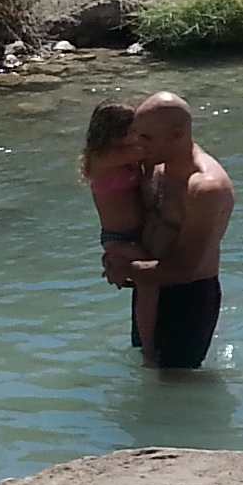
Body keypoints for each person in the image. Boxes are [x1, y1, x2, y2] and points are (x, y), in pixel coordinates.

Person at [106, 91, 236, 370]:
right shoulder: (155, 163)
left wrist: (125, 268)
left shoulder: (204, 187)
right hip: (148, 283)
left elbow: (186, 267)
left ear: (177, 135)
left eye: (146, 137)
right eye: (137, 134)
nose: (138, 143)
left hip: (187, 297)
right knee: (147, 368)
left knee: (177, 381)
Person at [80, 100, 158, 358]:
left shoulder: (124, 156)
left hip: (136, 235)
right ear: (114, 133)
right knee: (149, 284)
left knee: (150, 283)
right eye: (134, 131)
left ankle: (147, 339)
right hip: (119, 238)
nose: (139, 136)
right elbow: (150, 149)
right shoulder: (102, 158)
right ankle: (148, 348)